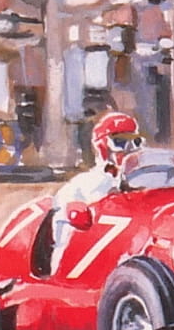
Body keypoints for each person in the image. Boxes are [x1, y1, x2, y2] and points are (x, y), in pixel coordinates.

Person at [51, 111, 143, 270]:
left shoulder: (145, 180)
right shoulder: (87, 183)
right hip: (93, 254)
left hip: (132, 249)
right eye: (120, 142)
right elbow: (63, 203)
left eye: (135, 142)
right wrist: (74, 208)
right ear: (102, 146)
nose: (129, 149)